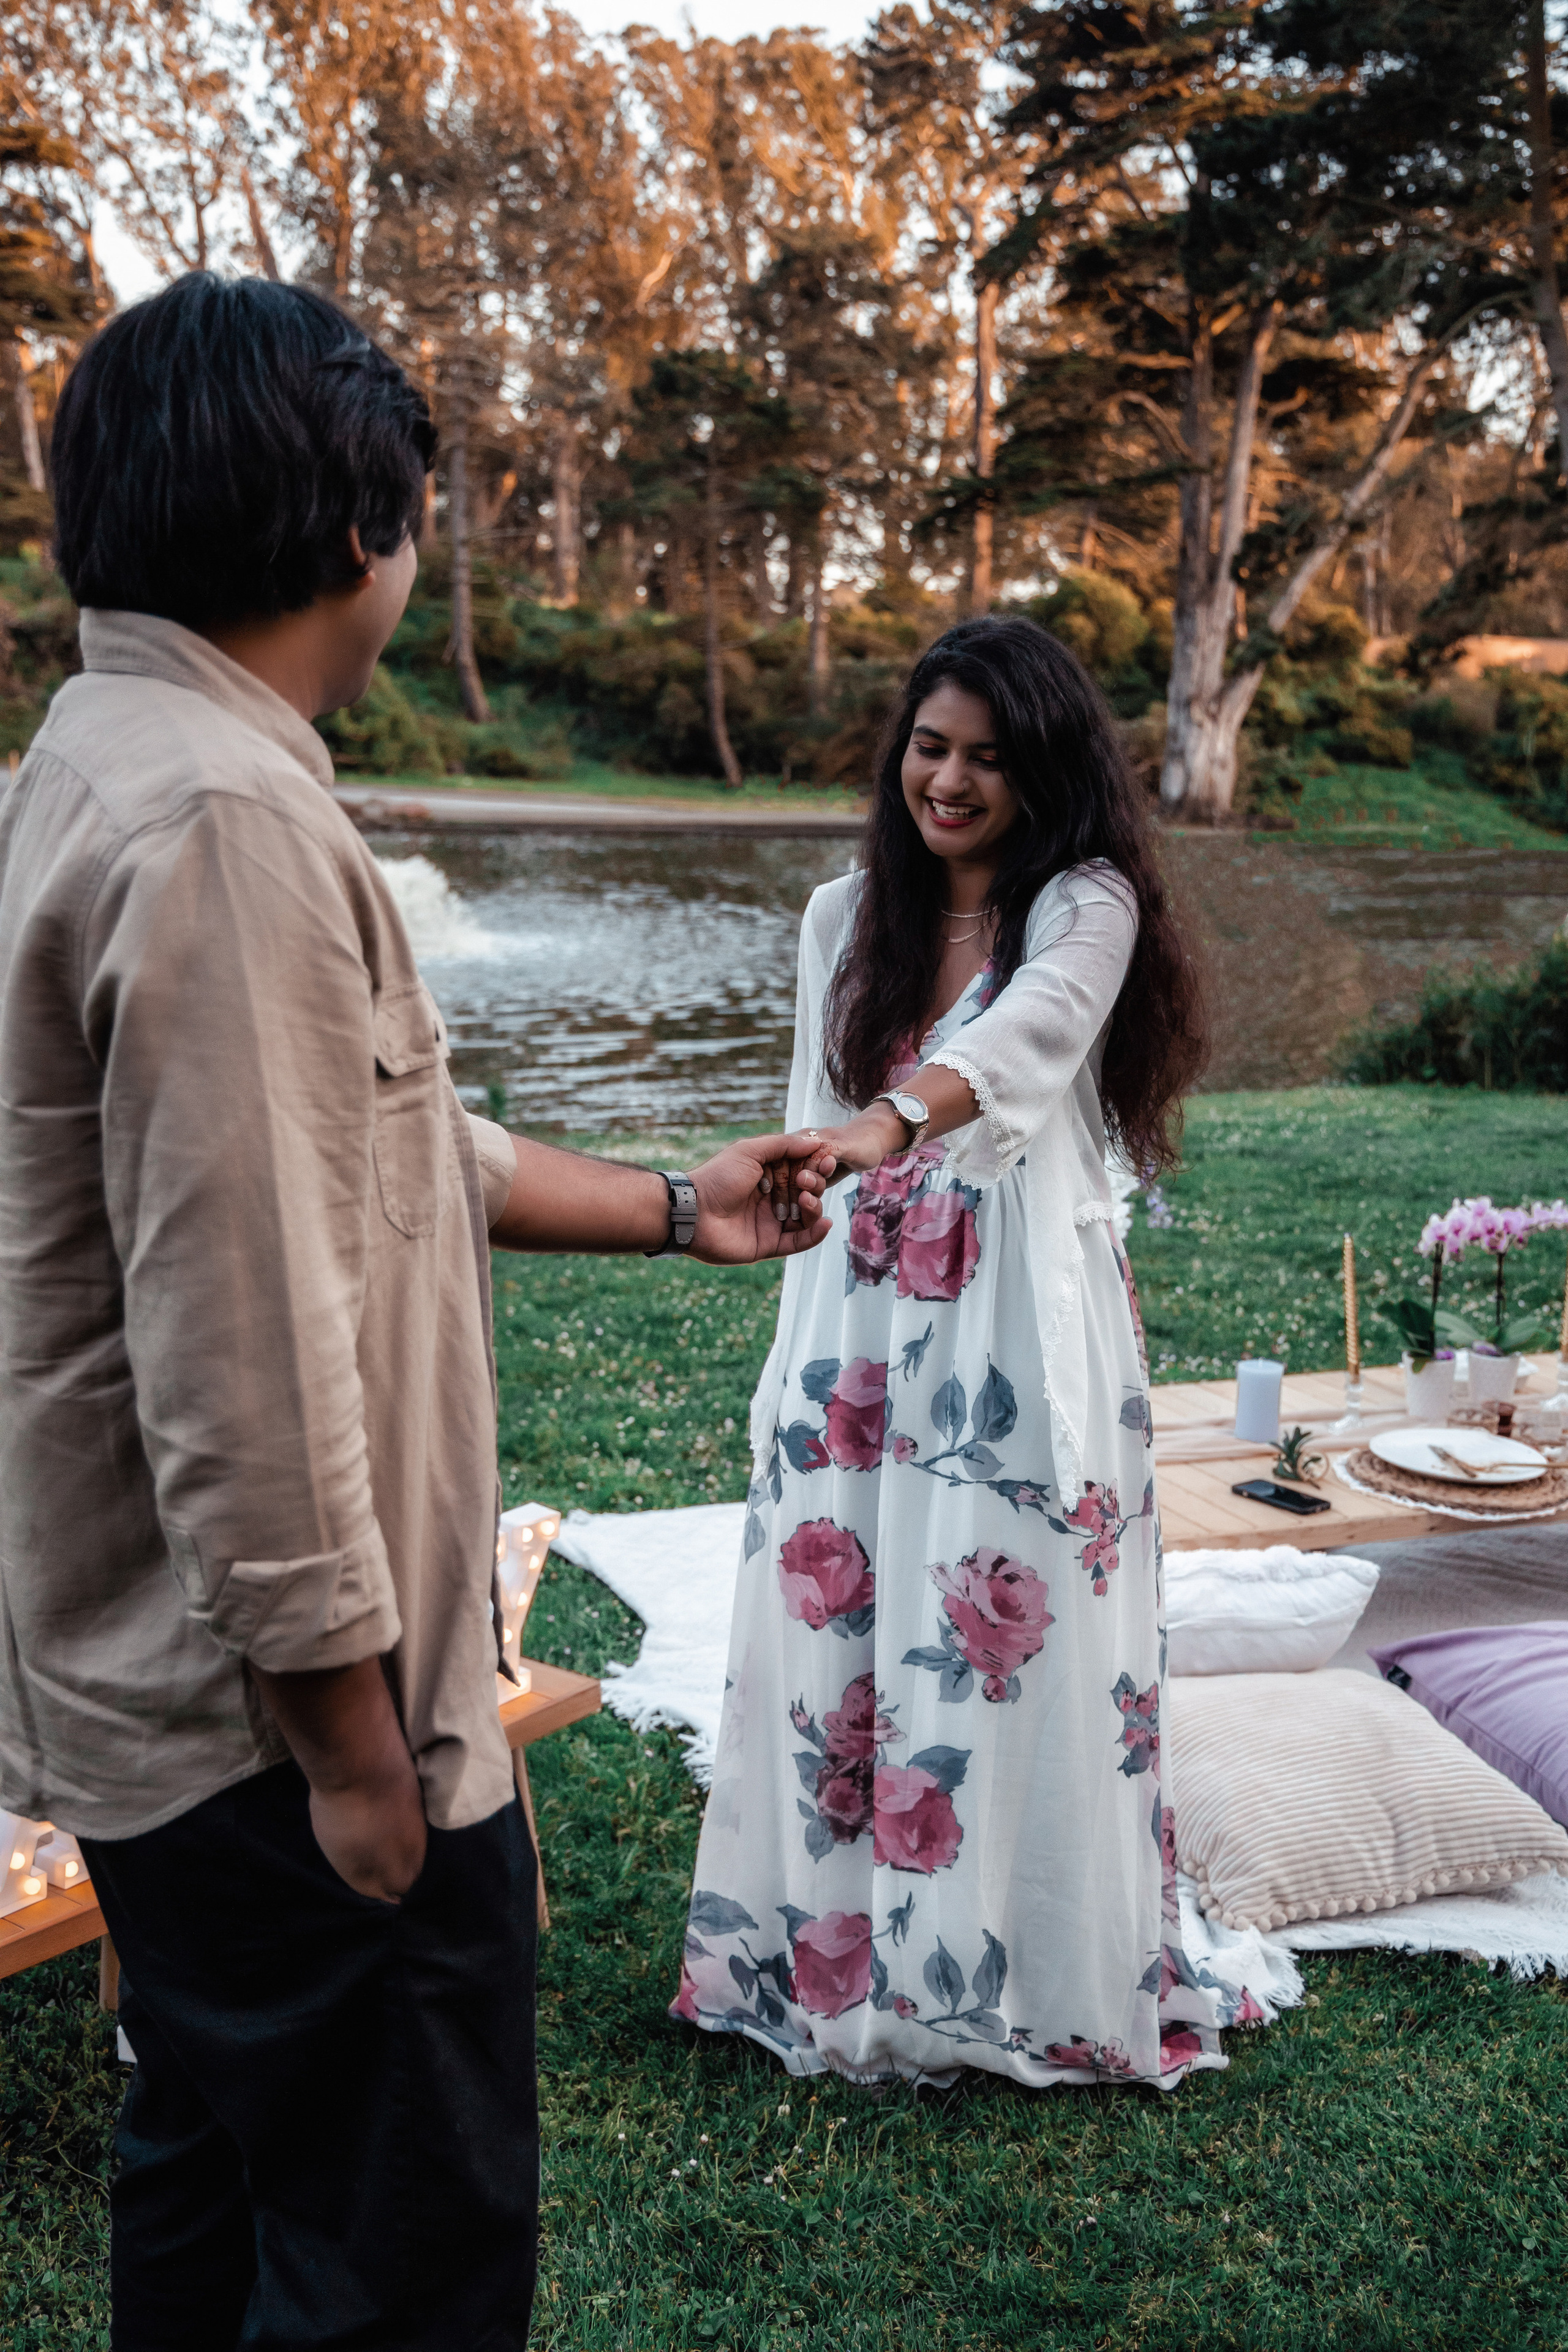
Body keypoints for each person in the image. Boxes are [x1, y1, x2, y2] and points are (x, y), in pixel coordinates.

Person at [0, 271, 829, 2351]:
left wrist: (673, 1206)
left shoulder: (112, 755)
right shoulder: (222, 825)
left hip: (164, 1726)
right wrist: (363, 1759)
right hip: (276, 1749)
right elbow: (245, 1340)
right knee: (398, 2271)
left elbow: (393, 1151)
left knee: (208, 2178)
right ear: (357, 527)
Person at [673, 614, 1250, 2090]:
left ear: (1040, 772)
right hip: (854, 1319)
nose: (950, 780)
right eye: (930, 748)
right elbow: (812, 1112)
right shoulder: (834, 917)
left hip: (1011, 1325)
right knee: (840, 1625)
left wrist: (883, 1123)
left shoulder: (1088, 906)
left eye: (988, 758)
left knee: (1007, 1636)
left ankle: (1023, 1974)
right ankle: (828, 1959)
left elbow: (1031, 1040)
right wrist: (802, 1212)